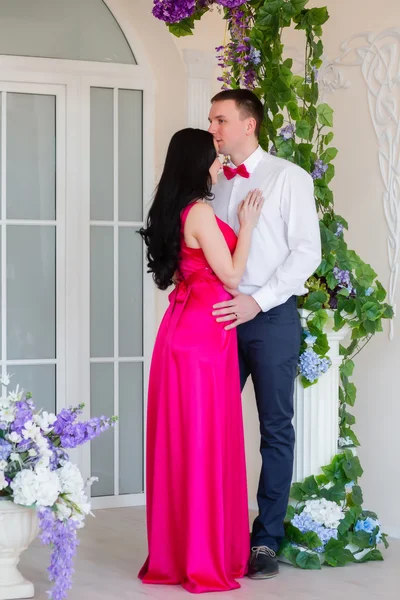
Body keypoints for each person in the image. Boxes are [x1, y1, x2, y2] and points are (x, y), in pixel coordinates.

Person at [138, 128, 264, 593]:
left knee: (183, 441)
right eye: (212, 155)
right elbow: (231, 277)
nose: (218, 162)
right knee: (204, 441)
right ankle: (203, 556)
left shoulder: (171, 208)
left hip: (179, 331)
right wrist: (247, 226)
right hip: (204, 335)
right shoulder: (202, 210)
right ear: (197, 162)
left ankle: (178, 552)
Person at [208, 89, 321, 580]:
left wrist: (259, 299)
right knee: (211, 424)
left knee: (276, 430)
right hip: (220, 315)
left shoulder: (287, 178)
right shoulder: (212, 182)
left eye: (221, 120)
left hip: (271, 316)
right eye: (212, 120)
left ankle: (266, 540)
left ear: (249, 124)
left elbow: (306, 253)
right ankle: (214, 531)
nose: (213, 129)